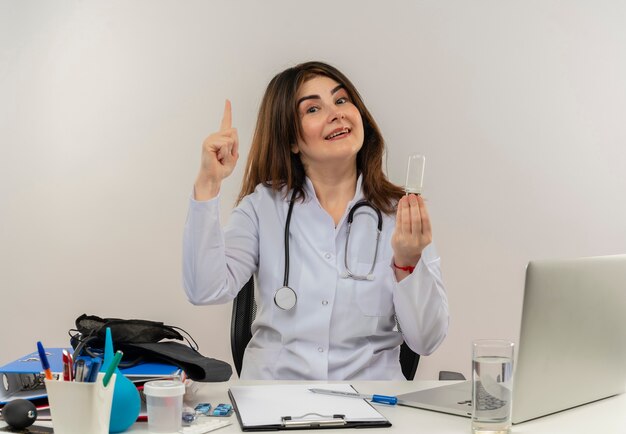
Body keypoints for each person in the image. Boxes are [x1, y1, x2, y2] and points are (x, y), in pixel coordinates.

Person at [183, 61, 448, 380]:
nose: (336, 113)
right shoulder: (263, 207)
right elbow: (204, 289)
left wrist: (407, 263)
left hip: (371, 403)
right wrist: (208, 184)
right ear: (291, 140)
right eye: (312, 109)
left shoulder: (399, 212)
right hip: (274, 401)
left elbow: (427, 340)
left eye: (341, 100)